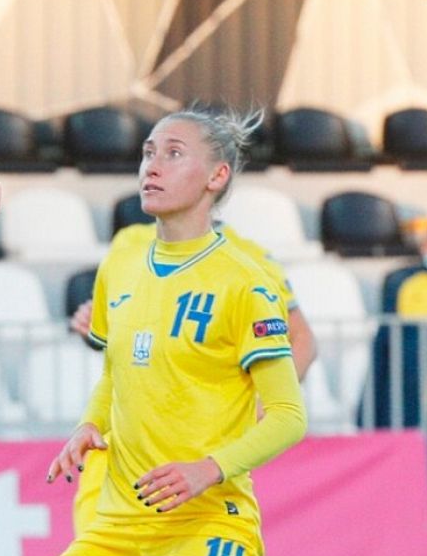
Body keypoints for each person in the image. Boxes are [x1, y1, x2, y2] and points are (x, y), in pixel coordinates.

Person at [45, 108, 307, 556]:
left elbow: (289, 417)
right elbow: (115, 375)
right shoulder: (120, 264)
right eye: (148, 153)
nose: (152, 166)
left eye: (173, 154)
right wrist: (89, 424)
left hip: (206, 523)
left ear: (216, 176)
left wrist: (209, 469)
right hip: (118, 529)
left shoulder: (245, 281)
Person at [66, 221, 317, 534]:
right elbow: (117, 337)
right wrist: (92, 330)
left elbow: (302, 338)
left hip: (193, 456)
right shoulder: (130, 243)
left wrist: (264, 402)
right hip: (120, 451)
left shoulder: (251, 259)